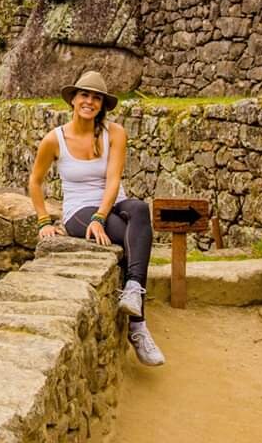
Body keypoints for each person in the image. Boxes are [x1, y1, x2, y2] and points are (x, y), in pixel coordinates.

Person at [28, 71, 165, 366]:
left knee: (140, 209)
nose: (89, 101)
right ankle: (138, 328)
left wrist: (101, 217)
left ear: (102, 105)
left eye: (97, 98)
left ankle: (132, 290)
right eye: (85, 95)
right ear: (74, 100)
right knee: (132, 238)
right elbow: (35, 182)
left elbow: (114, 179)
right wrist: (43, 221)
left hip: (111, 204)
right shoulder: (55, 140)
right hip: (79, 211)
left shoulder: (114, 133)